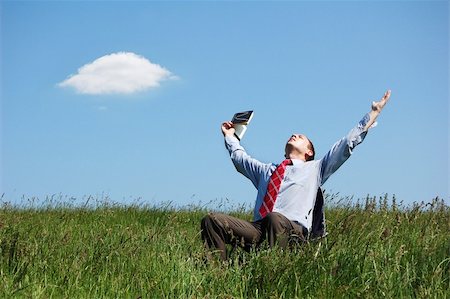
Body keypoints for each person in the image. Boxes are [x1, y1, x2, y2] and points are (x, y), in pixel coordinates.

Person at [201, 90, 392, 261]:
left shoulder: (316, 169)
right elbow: (239, 158)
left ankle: (271, 273)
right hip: (260, 230)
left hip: (293, 233)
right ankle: (218, 274)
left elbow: (346, 144)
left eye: (300, 137)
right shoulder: (265, 171)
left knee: (274, 218)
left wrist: (374, 112)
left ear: (309, 152)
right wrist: (229, 136)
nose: (294, 134)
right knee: (212, 220)